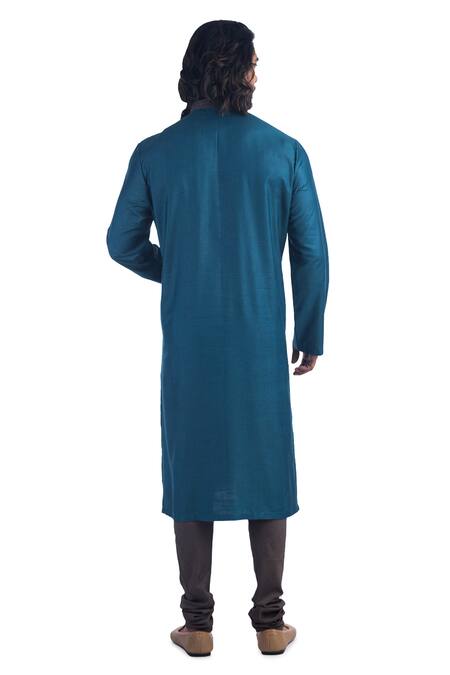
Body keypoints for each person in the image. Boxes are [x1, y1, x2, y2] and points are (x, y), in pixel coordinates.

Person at [106, 20, 329, 657]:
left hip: (190, 340)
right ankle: (271, 622)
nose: (259, 72)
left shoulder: (154, 152)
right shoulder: (284, 151)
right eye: (255, 61)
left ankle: (197, 624)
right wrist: (309, 330)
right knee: (267, 465)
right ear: (238, 70)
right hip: (259, 340)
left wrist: (175, 268)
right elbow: (311, 252)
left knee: (192, 465)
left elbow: (121, 242)